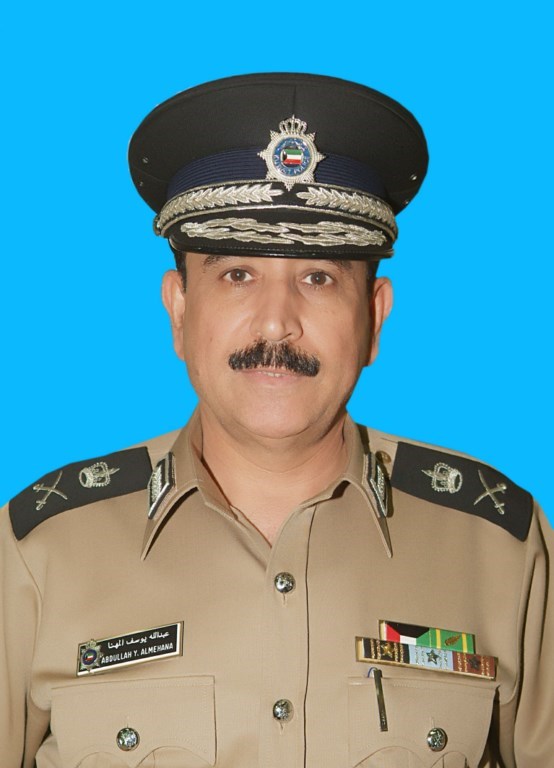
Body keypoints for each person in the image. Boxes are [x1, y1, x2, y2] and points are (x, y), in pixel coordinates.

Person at [0, 73, 551, 767]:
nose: (276, 324)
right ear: (179, 309)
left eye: (318, 278)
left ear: (374, 316)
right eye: (237, 275)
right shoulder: (40, 554)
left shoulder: (497, 548)